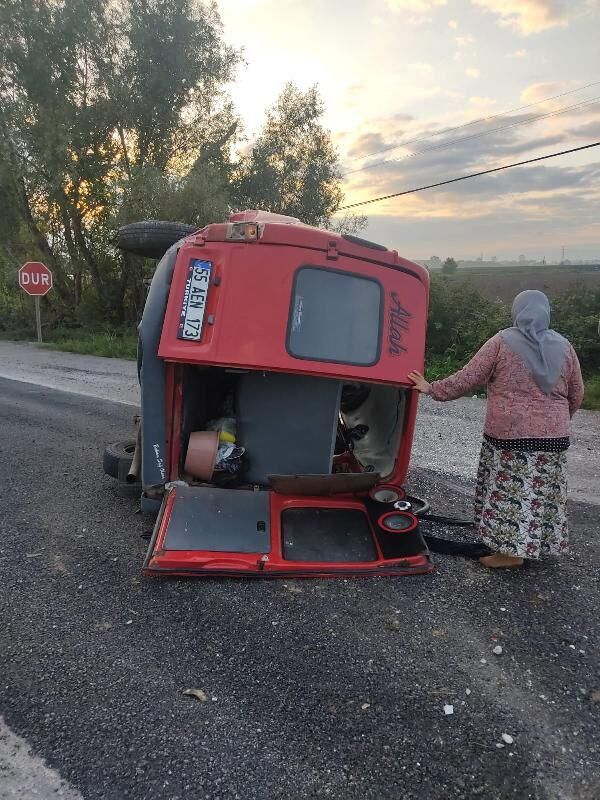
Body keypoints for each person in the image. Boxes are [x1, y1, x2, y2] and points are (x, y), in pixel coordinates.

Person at [408, 290, 584, 569]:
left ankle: (509, 554)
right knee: (541, 494)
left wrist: (432, 389)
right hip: (555, 438)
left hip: (511, 437)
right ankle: (532, 543)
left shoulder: (502, 342)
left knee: (511, 492)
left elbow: (469, 377)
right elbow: (577, 394)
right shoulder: (565, 346)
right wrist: (557, 421)